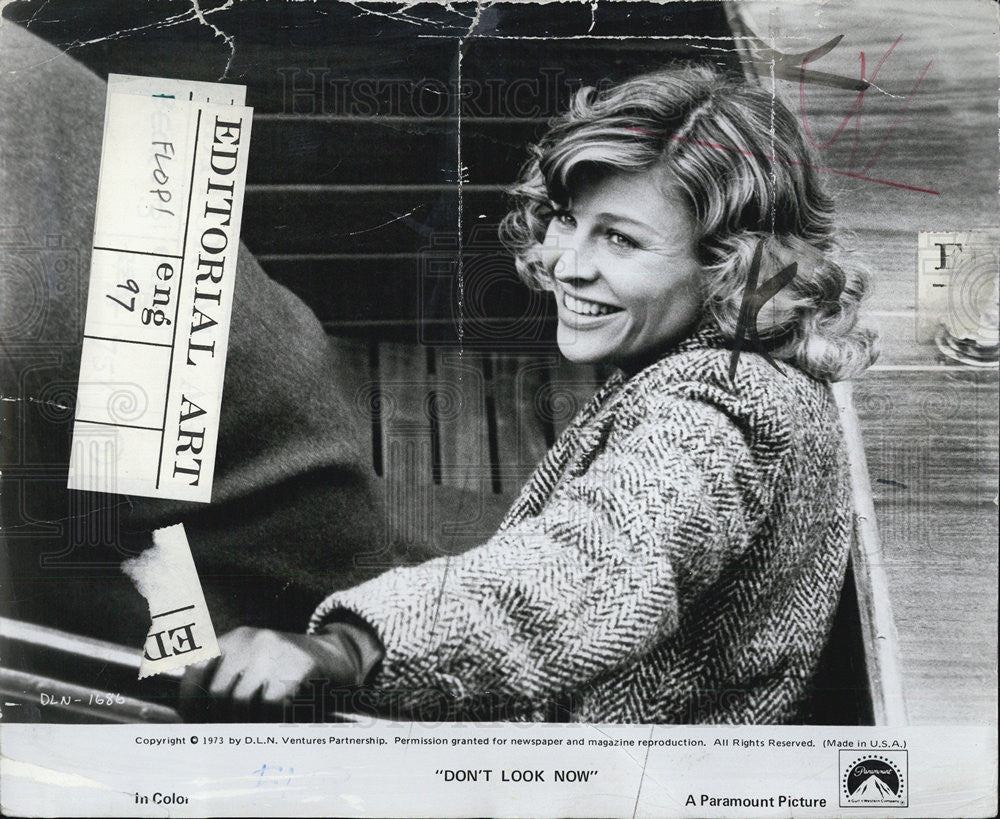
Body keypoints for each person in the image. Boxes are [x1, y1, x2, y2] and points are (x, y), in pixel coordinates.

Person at [180, 64, 878, 724]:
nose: (566, 264)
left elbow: (598, 570)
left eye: (621, 241)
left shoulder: (720, 415)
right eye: (569, 218)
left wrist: (350, 649)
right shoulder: (743, 360)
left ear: (731, 265)